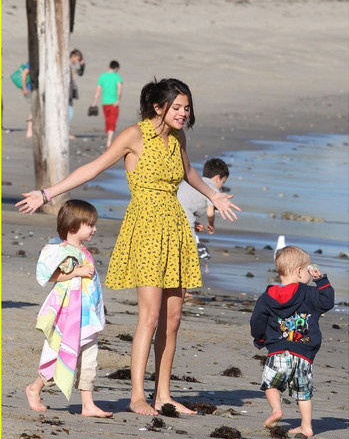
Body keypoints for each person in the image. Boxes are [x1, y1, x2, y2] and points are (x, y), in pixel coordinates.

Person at [16, 77, 241, 416]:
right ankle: (138, 396)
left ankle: (163, 394)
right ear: (158, 106)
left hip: (175, 228)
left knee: (174, 317)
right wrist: (47, 193)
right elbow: (93, 168)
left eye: (186, 108)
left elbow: (190, 172)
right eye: (177, 107)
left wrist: (214, 195)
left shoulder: (177, 138)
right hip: (147, 227)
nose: (183, 113)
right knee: (149, 316)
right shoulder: (134, 136)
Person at [25, 199, 112, 418]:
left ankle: (88, 403)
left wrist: (99, 306)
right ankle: (35, 388)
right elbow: (49, 276)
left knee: (90, 358)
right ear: (73, 227)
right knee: (60, 355)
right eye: (90, 225)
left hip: (87, 314)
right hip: (69, 316)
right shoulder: (62, 251)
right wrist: (75, 272)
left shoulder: (84, 251)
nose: (95, 229)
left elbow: (91, 284)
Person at [250, 245, 335, 437]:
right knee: (303, 392)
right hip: (303, 353)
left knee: (271, 384)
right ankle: (306, 426)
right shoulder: (310, 293)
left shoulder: (268, 296)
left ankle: (276, 410)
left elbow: (257, 320)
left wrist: (260, 338)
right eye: (307, 269)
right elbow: (327, 302)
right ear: (299, 271)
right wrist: (321, 280)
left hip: (278, 350)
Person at [177, 158, 229, 258]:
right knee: (190, 250)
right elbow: (210, 212)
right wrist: (211, 224)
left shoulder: (195, 182)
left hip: (170, 210)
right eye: (223, 182)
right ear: (217, 178)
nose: (221, 186)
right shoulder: (211, 189)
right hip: (186, 216)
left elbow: (185, 202)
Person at [91, 60, 123, 148]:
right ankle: (109, 141)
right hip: (113, 103)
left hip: (104, 103)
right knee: (112, 121)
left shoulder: (102, 76)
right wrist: (118, 100)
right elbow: (119, 89)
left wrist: (94, 102)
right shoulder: (117, 76)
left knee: (108, 120)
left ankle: (109, 139)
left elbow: (98, 90)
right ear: (116, 68)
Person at [69, 49, 85, 139]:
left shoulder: (74, 66)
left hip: (72, 89)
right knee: (69, 112)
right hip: (68, 90)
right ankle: (65, 133)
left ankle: (65, 131)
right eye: (77, 59)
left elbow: (81, 73)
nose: (77, 61)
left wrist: (83, 65)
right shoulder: (68, 64)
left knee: (70, 111)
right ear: (72, 56)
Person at [21, 62, 32, 138]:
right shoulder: (31, 62)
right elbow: (24, 74)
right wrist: (24, 88)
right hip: (31, 89)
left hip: (38, 89)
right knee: (34, 110)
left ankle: (31, 130)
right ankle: (29, 131)